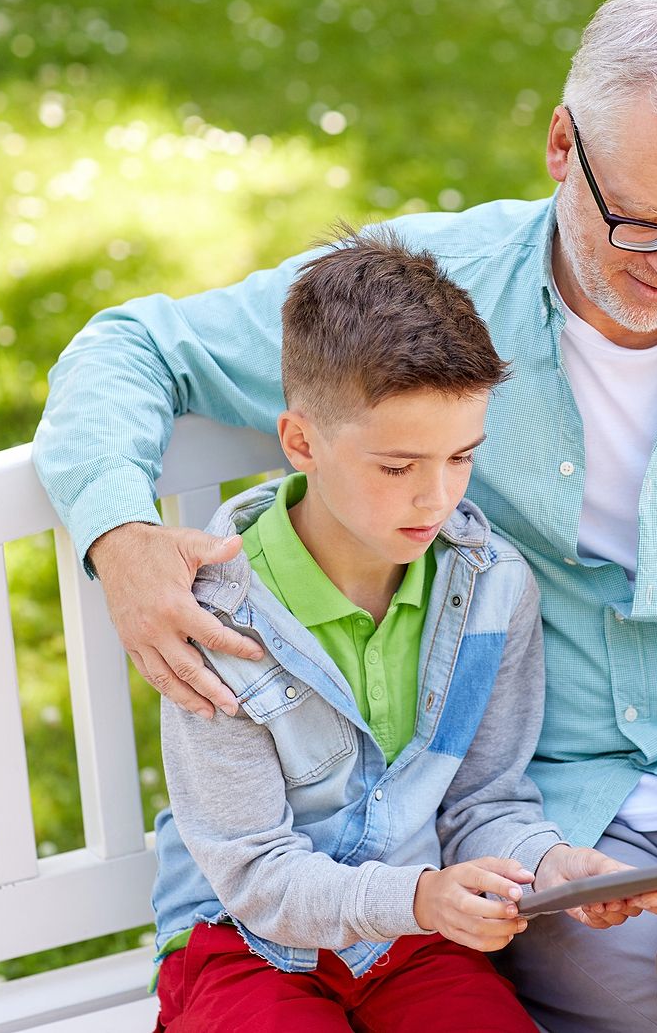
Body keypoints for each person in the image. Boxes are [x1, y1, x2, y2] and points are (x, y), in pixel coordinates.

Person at [36, 0, 657, 1032]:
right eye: (639, 221)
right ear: (559, 146)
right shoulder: (423, 301)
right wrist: (120, 538)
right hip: (531, 814)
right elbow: (132, 345)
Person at [149, 227, 626, 1032]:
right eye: (397, 467)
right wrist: (417, 897)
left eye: (461, 458)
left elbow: (484, 799)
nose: (434, 500)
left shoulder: (489, 588)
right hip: (245, 941)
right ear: (301, 442)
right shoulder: (215, 617)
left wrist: (551, 862)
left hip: (411, 936)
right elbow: (256, 872)